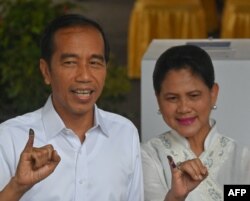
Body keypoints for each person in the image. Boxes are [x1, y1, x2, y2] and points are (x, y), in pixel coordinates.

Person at [0, 14, 144, 201]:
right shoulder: (9, 138)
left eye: (94, 63)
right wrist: (17, 187)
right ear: (46, 71)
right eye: (70, 62)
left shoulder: (125, 134)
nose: (84, 76)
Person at [141, 44, 250, 201]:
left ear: (213, 93)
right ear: (158, 99)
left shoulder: (242, 157)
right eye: (172, 98)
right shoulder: (149, 155)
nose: (184, 108)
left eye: (193, 95)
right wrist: (175, 197)